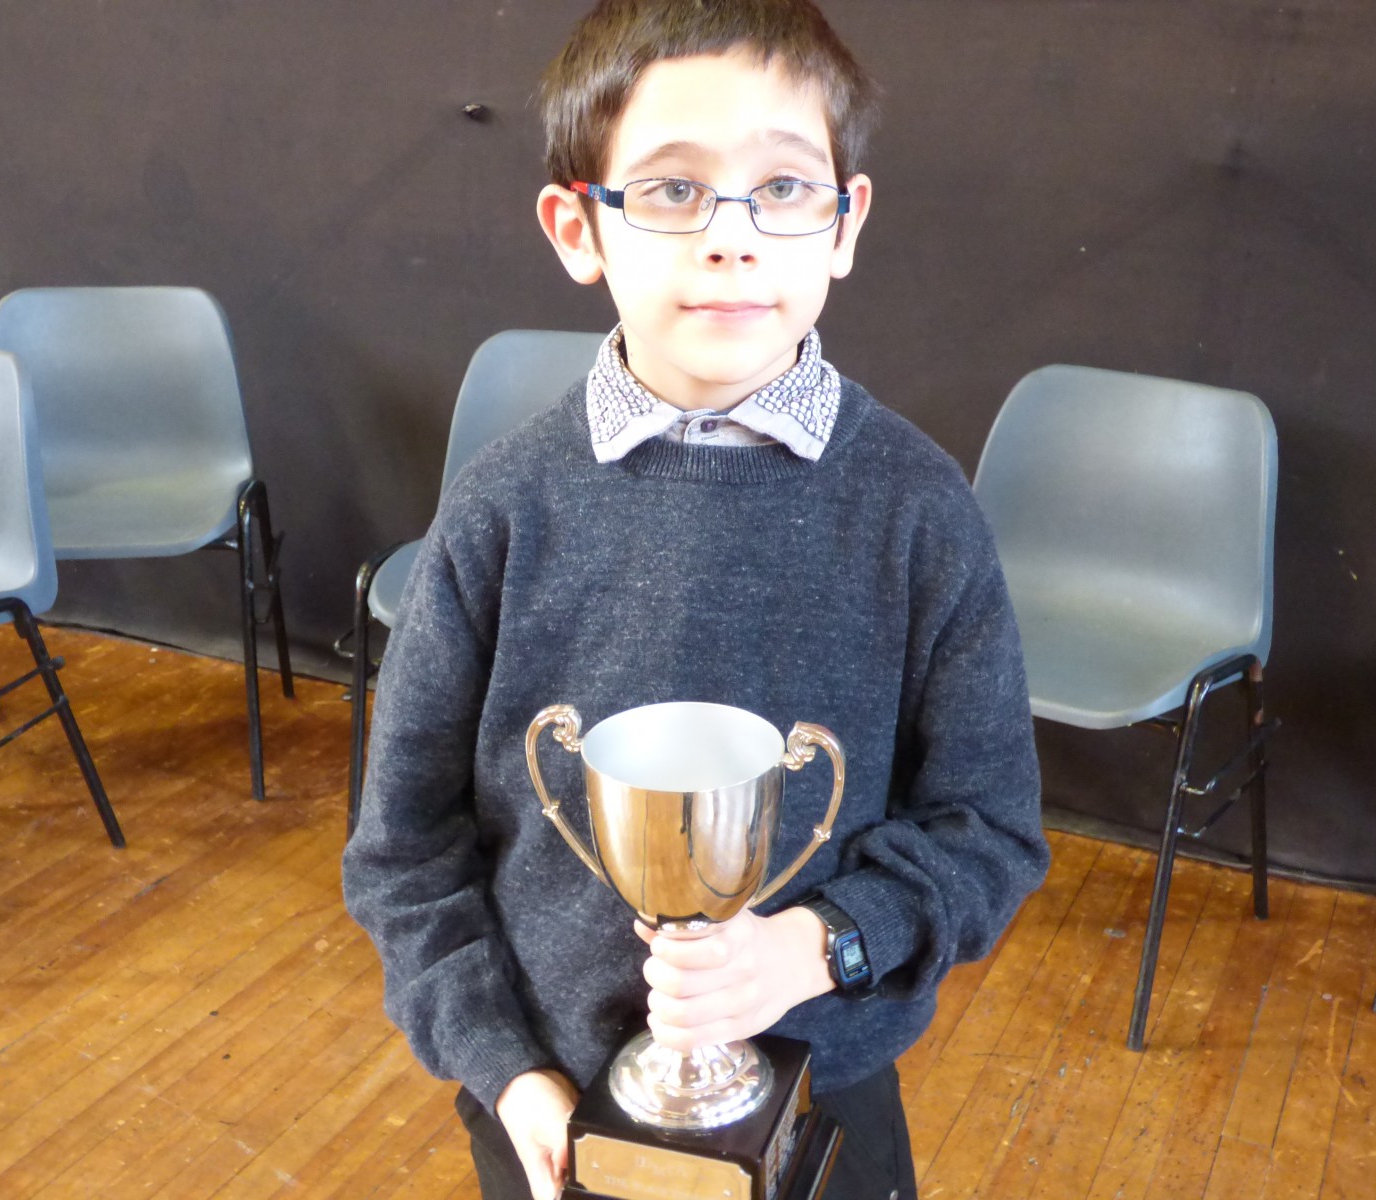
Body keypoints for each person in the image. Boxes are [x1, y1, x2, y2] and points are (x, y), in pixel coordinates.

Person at [342, 2, 1049, 1197]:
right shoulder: (502, 506)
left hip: (826, 1095)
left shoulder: (918, 510)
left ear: (843, 223)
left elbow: (988, 832)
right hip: (545, 1102)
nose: (732, 238)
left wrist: (818, 947)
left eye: (782, 187)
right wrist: (507, 1071)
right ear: (577, 228)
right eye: (672, 190)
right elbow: (403, 852)